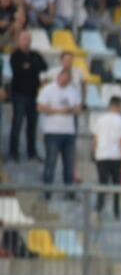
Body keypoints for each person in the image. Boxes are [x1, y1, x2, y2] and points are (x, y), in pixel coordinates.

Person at [37, 67, 82, 194]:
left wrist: (70, 110)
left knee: (69, 165)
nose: (65, 81)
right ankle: (47, 192)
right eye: (64, 79)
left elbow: (78, 109)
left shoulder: (73, 91)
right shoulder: (48, 89)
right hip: (52, 132)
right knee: (50, 163)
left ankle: (69, 192)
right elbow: (40, 107)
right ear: (59, 77)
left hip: (68, 132)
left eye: (68, 80)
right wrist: (60, 110)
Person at [8, 30, 48, 162]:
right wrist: (32, 68)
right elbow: (19, 71)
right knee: (17, 123)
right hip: (19, 94)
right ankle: (13, 151)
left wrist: (29, 67)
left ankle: (32, 152)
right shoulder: (16, 55)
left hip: (33, 94)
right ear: (19, 41)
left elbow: (44, 66)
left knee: (32, 125)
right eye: (24, 39)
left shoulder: (35, 54)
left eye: (28, 39)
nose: (27, 42)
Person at [91, 95, 121, 218]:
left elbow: (95, 138)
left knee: (102, 183)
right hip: (115, 156)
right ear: (119, 106)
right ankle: (116, 211)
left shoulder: (100, 119)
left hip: (102, 155)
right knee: (116, 184)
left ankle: (99, 208)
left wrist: (94, 152)